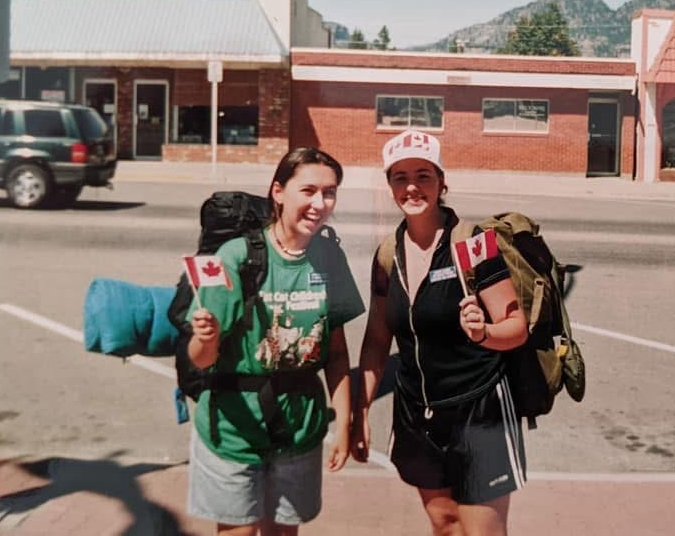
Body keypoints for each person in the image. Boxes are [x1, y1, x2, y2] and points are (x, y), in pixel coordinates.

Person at [352, 130, 528, 536]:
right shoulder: (386, 255)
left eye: (423, 175)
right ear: (390, 185)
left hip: (478, 411)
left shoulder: (473, 244)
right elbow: (378, 340)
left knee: (481, 531)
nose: (412, 186)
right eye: (400, 177)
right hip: (418, 413)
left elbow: (515, 327)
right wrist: (360, 410)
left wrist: (484, 333)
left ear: (441, 181)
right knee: (445, 525)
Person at [187, 147, 364, 536]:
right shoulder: (236, 257)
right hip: (234, 429)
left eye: (330, 192)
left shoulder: (329, 259)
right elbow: (201, 359)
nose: (320, 203)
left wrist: (344, 426)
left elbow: (336, 353)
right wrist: (207, 338)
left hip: (300, 428)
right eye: (309, 190)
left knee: (284, 532)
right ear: (278, 192)